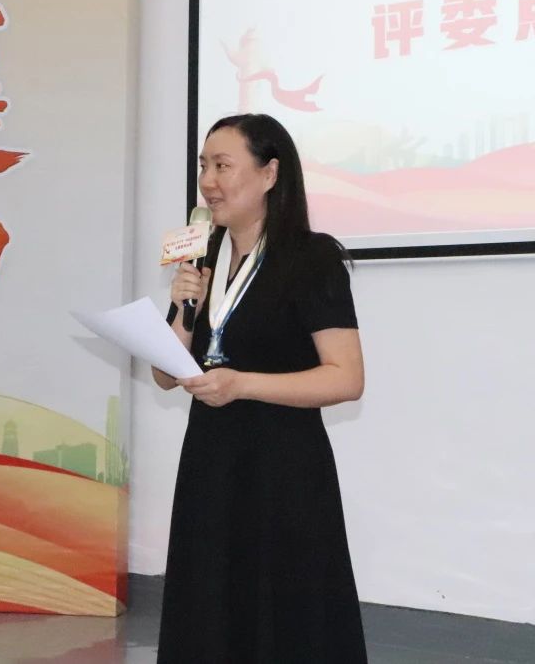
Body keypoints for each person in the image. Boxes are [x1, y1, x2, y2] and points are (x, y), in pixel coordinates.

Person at [152, 113, 367, 663]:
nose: (208, 182)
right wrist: (182, 305)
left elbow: (346, 377)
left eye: (223, 166)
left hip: (281, 469)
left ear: (270, 174)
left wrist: (243, 384)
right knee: (210, 607)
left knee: (283, 615)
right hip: (211, 464)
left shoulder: (312, 259)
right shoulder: (201, 257)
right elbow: (165, 374)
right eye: (204, 166)